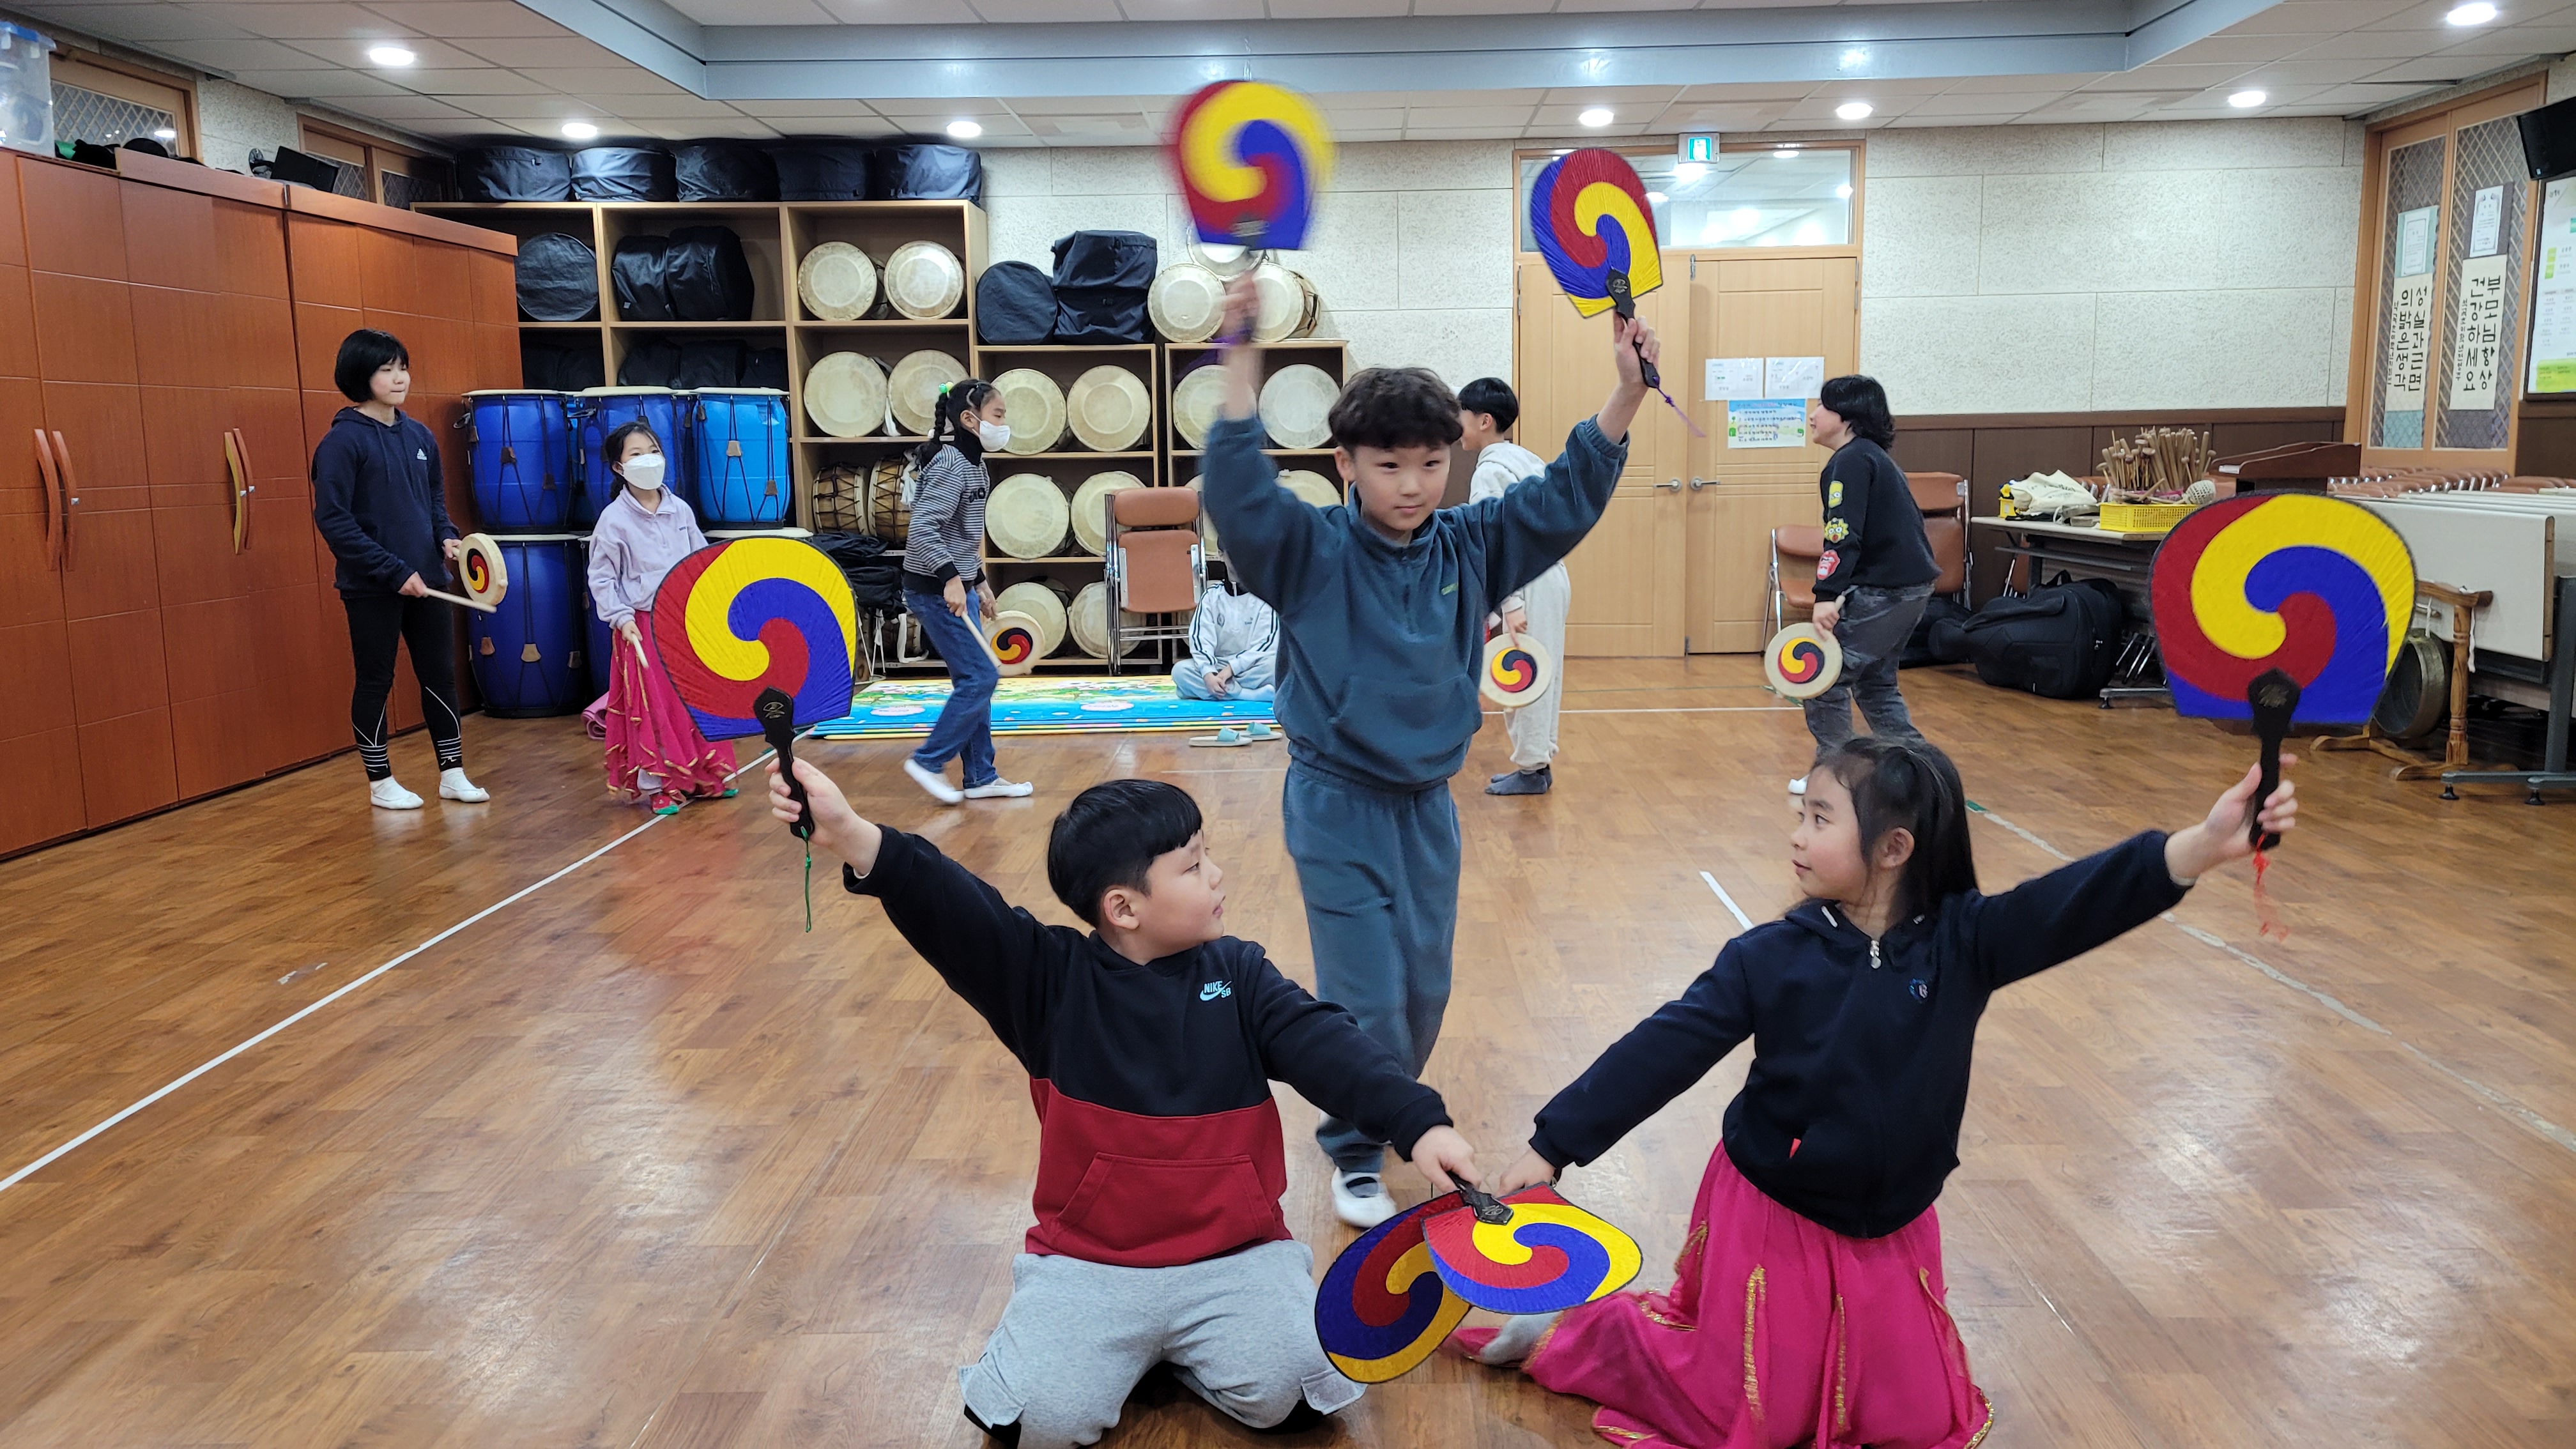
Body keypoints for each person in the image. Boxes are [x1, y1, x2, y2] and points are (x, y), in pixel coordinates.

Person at [1460, 737, 2301, 1448]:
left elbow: (2074, 904)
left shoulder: (1967, 943)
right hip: (1777, 1213)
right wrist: (1553, 1144)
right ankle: (1577, 1331)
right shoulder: (1767, 958)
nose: (1797, 836)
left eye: (1820, 819)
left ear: (1895, 848)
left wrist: (2203, 844)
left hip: (1892, 1224)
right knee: (1752, 1415)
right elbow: (1663, 1049)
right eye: (1802, 814)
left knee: (1923, 1418)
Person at [766, 760, 1482, 1447]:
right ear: (1123, 907)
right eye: (1193, 866)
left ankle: (1171, 1354)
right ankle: (1133, 1354)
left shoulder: (1241, 976)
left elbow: (1330, 1045)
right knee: (1031, 1422)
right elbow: (953, 907)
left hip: (1236, 1258)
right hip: (1090, 1265)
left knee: (1303, 1395)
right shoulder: (1048, 983)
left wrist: (1417, 1122)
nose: (1216, 874)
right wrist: (852, 833)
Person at [1199, 275, 1655, 1228]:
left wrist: (1626, 389)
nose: (1412, 485)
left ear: (1456, 456)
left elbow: (1566, 495)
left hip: (1428, 808)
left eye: (1431, 463)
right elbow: (1239, 495)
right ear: (1345, 464)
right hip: (1335, 804)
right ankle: (1356, 1149)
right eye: (1388, 465)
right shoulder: (1309, 549)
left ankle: (1377, 1109)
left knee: (1422, 992)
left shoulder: (1471, 543)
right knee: (1365, 995)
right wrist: (1238, 364)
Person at [309, 328, 487, 811]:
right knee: (375, 680)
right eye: (386, 370)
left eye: (402, 367)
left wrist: (446, 537)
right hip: (371, 587)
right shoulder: (340, 443)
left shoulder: (420, 435)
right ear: (359, 376)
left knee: (440, 677)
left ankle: (452, 773)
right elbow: (334, 521)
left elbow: (433, 501)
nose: (399, 378)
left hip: (429, 580)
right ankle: (380, 781)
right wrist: (392, 571)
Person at [1792, 374, 1940, 796]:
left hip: (1886, 591)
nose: (1813, 415)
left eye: (1823, 407)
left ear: (1847, 416)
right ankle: (1923, 775)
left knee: (1823, 678)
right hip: (1910, 589)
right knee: (1876, 685)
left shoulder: (1851, 462)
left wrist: (1826, 595)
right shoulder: (1872, 457)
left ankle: (1834, 779)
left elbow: (1842, 535)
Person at [582, 420, 736, 815]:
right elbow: (602, 577)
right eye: (636, 454)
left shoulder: (680, 509)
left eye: (653, 451)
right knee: (653, 707)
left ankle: (702, 775)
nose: (648, 460)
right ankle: (661, 786)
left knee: (693, 699)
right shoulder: (613, 520)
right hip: (641, 625)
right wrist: (620, 617)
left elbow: (699, 561)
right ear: (619, 468)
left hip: (683, 622)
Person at [900, 379, 1031, 806]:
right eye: (998, 415)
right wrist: (951, 580)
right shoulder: (950, 465)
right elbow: (923, 529)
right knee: (982, 676)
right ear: (970, 420)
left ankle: (981, 776)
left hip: (956, 584)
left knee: (974, 678)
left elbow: (962, 534)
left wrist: (979, 581)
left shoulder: (977, 465)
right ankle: (928, 761)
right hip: (933, 589)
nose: (1004, 423)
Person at [1459, 377, 1568, 797]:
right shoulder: (1526, 459)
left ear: (1484, 420)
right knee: (1540, 673)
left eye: (1462, 415)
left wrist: (1510, 602)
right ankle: (1536, 762)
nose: (1457, 424)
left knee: (1527, 675)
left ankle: (1532, 769)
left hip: (1527, 582)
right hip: (1549, 577)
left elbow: (1497, 544)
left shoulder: (1491, 470)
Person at [1171, 574, 1280, 702]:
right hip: (1218, 665)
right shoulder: (1211, 595)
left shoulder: (1264, 596)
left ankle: (1214, 691)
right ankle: (1246, 694)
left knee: (1275, 668)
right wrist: (1208, 673)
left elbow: (1266, 643)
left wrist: (1231, 669)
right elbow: (1200, 639)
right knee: (1180, 671)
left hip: (1251, 666)